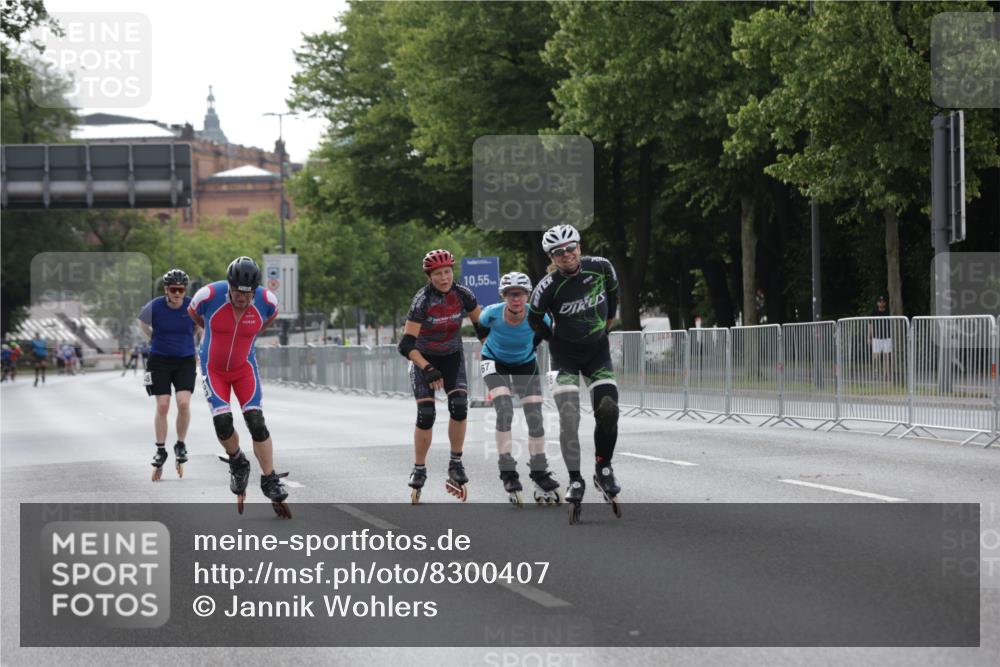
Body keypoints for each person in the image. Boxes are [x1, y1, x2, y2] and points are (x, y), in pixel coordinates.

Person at [528, 224, 622, 523]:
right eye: (559, 252)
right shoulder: (547, 286)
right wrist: (551, 338)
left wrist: (605, 327)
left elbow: (613, 299)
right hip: (564, 357)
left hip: (597, 353)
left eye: (571, 248)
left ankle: (603, 468)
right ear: (551, 257)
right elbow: (533, 319)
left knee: (608, 410)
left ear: (579, 247)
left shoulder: (601, 267)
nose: (566, 255)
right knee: (569, 415)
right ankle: (575, 479)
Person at [188, 256, 291, 518]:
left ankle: (269, 479)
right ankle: (237, 461)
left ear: (254, 290)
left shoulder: (267, 303)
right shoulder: (208, 295)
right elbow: (195, 317)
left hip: (244, 367)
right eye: (235, 291)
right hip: (213, 369)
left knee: (256, 421)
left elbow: (263, 326)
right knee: (222, 422)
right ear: (229, 285)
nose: (241, 298)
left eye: (246, 293)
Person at [398, 249, 482, 503]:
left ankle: (455, 462)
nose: (444, 277)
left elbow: (482, 328)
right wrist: (428, 368)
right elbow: (406, 345)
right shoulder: (422, 301)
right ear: (429, 276)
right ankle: (420, 468)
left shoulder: (463, 293)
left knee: (459, 406)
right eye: (438, 274)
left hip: (452, 357)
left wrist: (493, 353)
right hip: (423, 359)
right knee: (426, 415)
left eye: (447, 272)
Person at [476, 271, 562, 506]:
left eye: (521, 294)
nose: (516, 299)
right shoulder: (491, 314)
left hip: (525, 362)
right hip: (494, 360)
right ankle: (507, 471)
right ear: (504, 296)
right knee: (504, 410)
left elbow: (544, 338)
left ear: (528, 295)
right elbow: (481, 331)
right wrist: (490, 348)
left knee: (535, 417)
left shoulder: (539, 316)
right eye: (511, 295)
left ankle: (539, 472)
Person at [139, 269, 199, 481]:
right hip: (160, 360)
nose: (177, 293)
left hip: (184, 360)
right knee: (163, 405)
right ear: (166, 290)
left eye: (180, 290)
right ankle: (161, 448)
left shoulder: (192, 306)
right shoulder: (155, 306)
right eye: (173, 289)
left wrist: (192, 344)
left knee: (183, 403)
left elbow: (198, 327)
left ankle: (180, 444)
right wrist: (153, 336)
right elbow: (142, 323)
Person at [868, 295, 893, 382]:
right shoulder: (874, 313)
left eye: (883, 301)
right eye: (880, 301)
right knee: (876, 356)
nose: (881, 303)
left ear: (885, 303)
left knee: (886, 356)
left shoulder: (889, 312)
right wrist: (869, 337)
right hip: (876, 337)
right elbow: (870, 325)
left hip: (887, 337)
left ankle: (885, 375)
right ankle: (875, 372)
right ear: (877, 303)